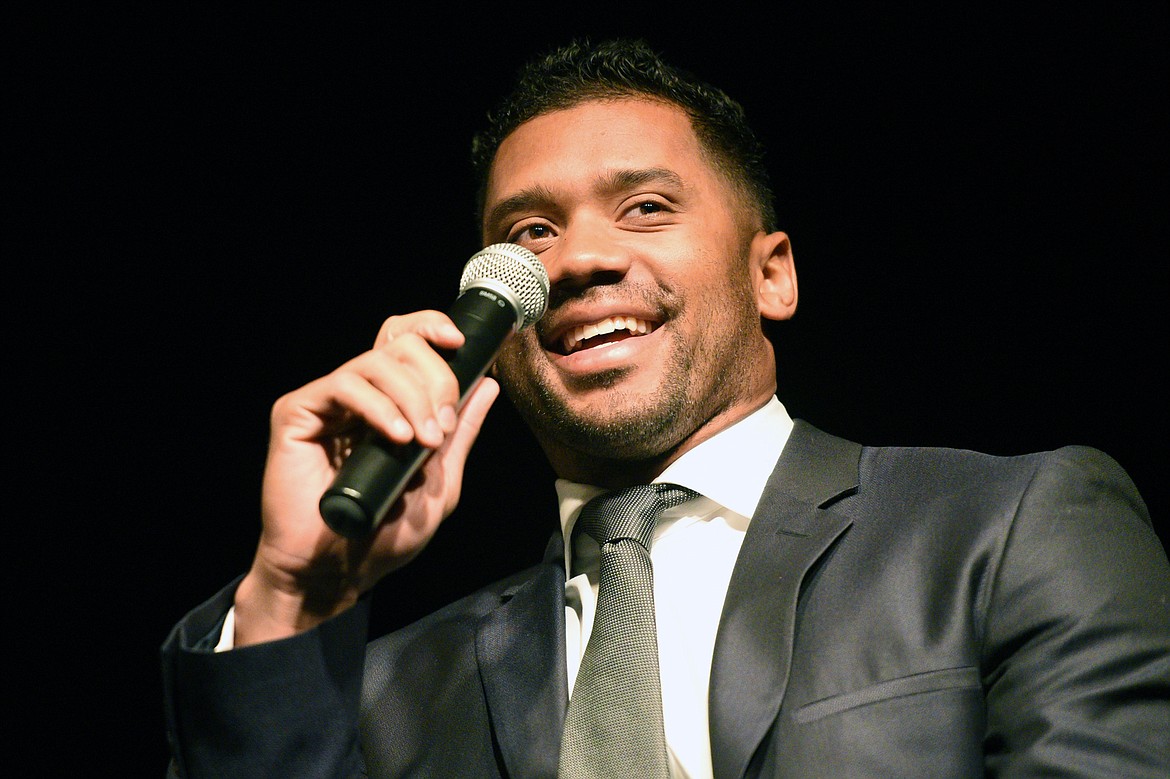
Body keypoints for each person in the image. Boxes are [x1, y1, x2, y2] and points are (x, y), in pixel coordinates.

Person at [160, 38, 1170, 778]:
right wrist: (292, 597)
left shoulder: (1009, 526)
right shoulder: (388, 691)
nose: (583, 260)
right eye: (529, 233)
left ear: (771, 272)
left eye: (645, 206)